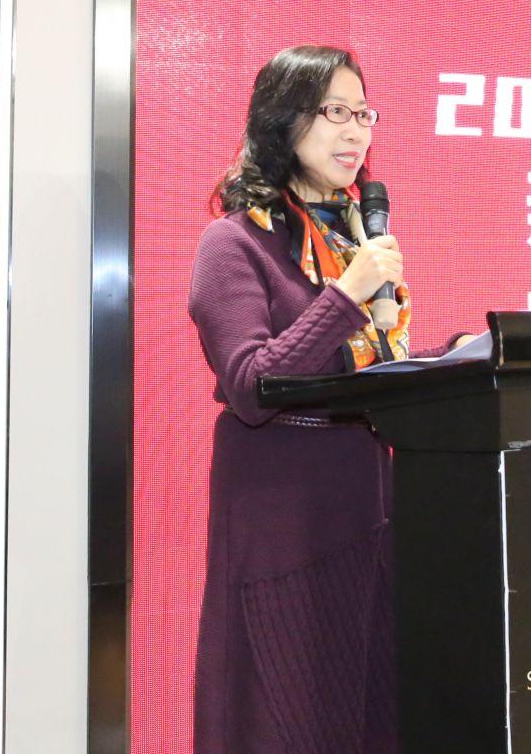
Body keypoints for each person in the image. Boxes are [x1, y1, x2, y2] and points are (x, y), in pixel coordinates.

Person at [188, 45, 454, 754]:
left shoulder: (350, 238)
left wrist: (455, 357)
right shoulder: (232, 244)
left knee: (372, 718)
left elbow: (360, 374)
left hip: (371, 518)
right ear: (284, 120)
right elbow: (253, 384)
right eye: (335, 111)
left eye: (363, 114)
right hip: (285, 528)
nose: (354, 132)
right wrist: (348, 292)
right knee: (288, 720)